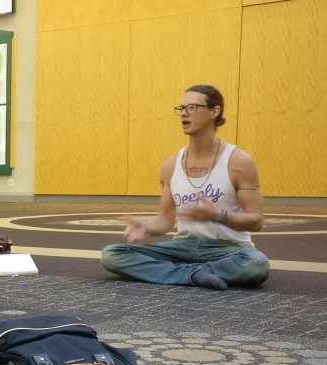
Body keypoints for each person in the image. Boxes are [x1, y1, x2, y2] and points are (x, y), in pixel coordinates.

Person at [101, 84, 270, 290]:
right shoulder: (170, 165)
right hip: (183, 246)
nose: (183, 114)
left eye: (192, 108)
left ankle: (181, 272)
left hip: (228, 249)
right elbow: (165, 220)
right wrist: (145, 226)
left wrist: (218, 215)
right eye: (181, 109)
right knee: (112, 255)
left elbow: (256, 221)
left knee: (256, 264)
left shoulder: (239, 162)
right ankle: (198, 274)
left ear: (214, 112)